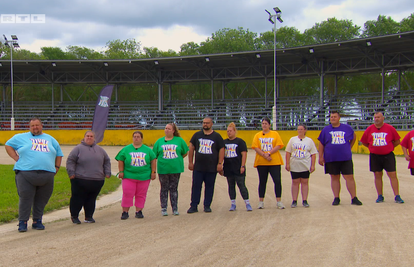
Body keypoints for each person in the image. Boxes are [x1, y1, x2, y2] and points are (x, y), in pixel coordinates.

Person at [5, 117, 63, 232]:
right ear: (29, 127)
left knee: (42, 199)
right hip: (25, 173)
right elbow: (8, 145)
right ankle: (23, 222)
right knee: (26, 198)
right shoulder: (21, 137)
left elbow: (59, 153)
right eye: (32, 125)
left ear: (41, 126)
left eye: (37, 125)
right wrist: (15, 157)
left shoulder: (50, 139)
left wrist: (56, 167)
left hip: (47, 175)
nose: (35, 127)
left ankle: (37, 221)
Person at [66, 131, 111, 224]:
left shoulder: (100, 150)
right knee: (77, 198)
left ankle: (89, 216)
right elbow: (70, 161)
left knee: (91, 199)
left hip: (97, 180)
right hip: (80, 179)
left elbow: (107, 161)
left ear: (94, 138)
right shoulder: (78, 149)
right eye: (87, 136)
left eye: (91, 136)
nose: (89, 138)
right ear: (84, 137)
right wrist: (71, 173)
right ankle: (74, 216)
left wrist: (107, 172)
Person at [318, 111, 362, 206]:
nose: (333, 118)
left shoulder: (347, 128)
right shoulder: (326, 130)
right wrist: (320, 156)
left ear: (339, 118)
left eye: (334, 117)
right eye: (331, 117)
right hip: (331, 157)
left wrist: (349, 147)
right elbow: (321, 143)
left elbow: (353, 137)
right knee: (334, 177)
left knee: (349, 177)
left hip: (345, 157)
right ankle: (336, 197)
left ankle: (354, 197)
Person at [360, 111, 404, 203]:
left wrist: (389, 147)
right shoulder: (370, 129)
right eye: (375, 117)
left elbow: (397, 141)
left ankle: (397, 195)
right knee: (377, 175)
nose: (376, 119)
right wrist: (372, 148)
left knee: (392, 175)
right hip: (375, 156)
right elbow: (364, 142)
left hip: (388, 155)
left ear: (383, 118)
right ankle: (380, 195)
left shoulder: (390, 128)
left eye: (378, 117)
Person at [115, 131, 156, 220]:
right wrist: (121, 171)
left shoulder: (148, 150)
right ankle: (125, 212)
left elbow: (153, 160)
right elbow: (120, 159)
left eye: (138, 136)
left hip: (144, 176)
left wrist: (153, 172)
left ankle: (139, 211)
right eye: (135, 136)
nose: (136, 138)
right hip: (129, 175)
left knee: (141, 194)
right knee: (127, 193)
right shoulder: (126, 149)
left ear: (141, 138)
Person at [187, 117, 224, 213]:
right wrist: (190, 162)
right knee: (196, 186)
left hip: (211, 167)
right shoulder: (197, 135)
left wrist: (220, 163)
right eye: (204, 123)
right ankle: (194, 205)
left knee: (210, 186)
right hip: (198, 167)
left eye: (207, 123)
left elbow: (221, 149)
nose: (205, 124)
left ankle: (207, 205)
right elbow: (191, 148)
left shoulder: (217, 136)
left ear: (212, 124)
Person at [153, 123, 189, 216]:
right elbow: (154, 155)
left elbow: (185, 152)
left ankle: (175, 208)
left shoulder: (179, 140)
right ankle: (164, 208)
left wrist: (177, 160)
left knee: (174, 188)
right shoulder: (159, 141)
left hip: (175, 169)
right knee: (164, 188)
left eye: (169, 128)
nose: (166, 130)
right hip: (163, 169)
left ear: (173, 131)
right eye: (165, 128)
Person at [251, 117, 285, 209]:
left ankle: (279, 201)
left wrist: (269, 153)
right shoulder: (258, 135)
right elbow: (255, 147)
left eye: (266, 123)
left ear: (269, 125)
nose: (264, 125)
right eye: (263, 123)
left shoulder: (275, 134)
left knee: (277, 181)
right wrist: (264, 155)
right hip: (262, 162)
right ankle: (261, 201)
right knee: (262, 181)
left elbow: (278, 145)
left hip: (274, 161)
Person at [222, 122, 252, 211]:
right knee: (231, 186)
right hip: (228, 167)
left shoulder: (240, 142)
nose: (229, 133)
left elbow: (244, 154)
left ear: (235, 131)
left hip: (237, 167)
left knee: (241, 185)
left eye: (230, 131)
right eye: (227, 131)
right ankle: (233, 203)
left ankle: (247, 203)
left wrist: (242, 165)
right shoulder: (224, 142)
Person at [285, 124, 317, 208]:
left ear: (305, 130)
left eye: (301, 129)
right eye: (298, 129)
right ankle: (294, 200)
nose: (299, 131)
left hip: (305, 164)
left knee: (305, 182)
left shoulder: (309, 141)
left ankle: (304, 200)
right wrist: (287, 163)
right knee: (295, 182)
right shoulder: (293, 139)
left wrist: (313, 165)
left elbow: (313, 153)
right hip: (294, 164)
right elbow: (288, 152)